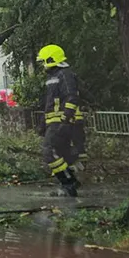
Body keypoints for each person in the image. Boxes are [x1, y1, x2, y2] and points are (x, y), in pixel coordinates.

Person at [37, 44, 82, 197]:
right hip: (54, 122)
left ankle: (67, 183)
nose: (43, 65)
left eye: (44, 61)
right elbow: (49, 103)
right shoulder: (52, 77)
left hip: (61, 123)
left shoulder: (65, 74)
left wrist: (65, 119)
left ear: (51, 59)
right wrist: (43, 123)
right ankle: (72, 181)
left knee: (49, 152)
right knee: (62, 153)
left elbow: (72, 97)